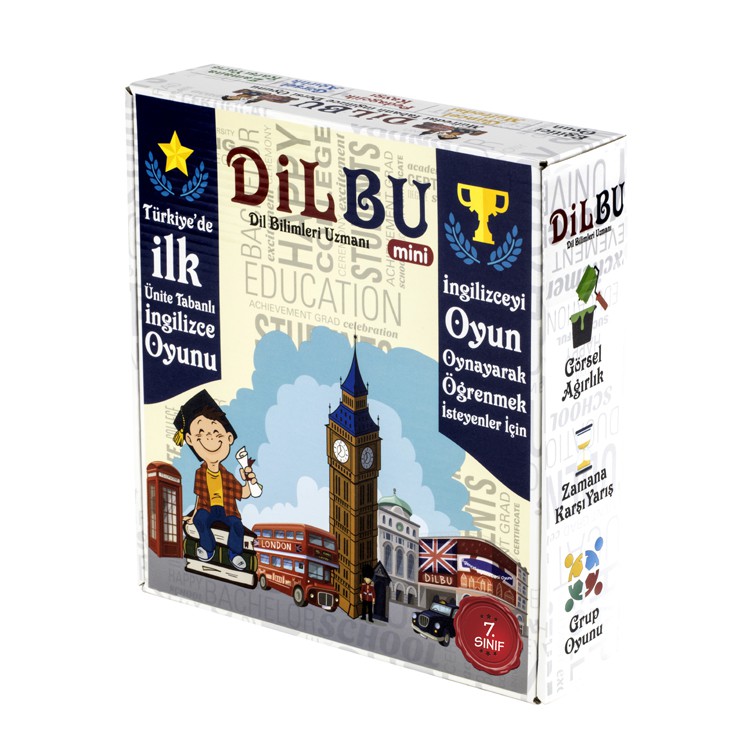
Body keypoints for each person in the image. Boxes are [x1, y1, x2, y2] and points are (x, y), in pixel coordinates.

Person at [173, 390, 258, 570]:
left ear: (228, 438)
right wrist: (193, 516)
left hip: (227, 510)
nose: (210, 438)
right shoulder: (200, 473)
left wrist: (250, 481)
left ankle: (234, 554)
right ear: (190, 440)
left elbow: (243, 493)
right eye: (201, 435)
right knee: (200, 520)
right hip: (207, 508)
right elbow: (199, 498)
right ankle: (208, 547)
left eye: (216, 433)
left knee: (236, 525)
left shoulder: (228, 476)